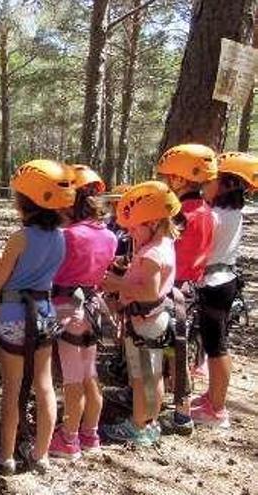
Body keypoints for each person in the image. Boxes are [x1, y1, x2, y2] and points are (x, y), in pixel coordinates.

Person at [0, 160, 74, 475]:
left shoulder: (19, 237)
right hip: (44, 312)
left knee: (12, 386)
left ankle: (6, 455)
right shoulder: (60, 237)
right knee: (44, 384)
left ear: (26, 200)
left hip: (13, 316)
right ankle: (41, 452)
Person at [101, 181, 180, 447]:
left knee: (142, 376)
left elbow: (149, 291)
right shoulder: (163, 243)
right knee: (151, 374)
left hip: (146, 320)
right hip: (151, 319)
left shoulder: (153, 252)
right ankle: (150, 421)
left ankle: (138, 425)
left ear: (155, 222)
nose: (131, 233)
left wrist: (116, 284)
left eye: (136, 227)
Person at [48, 165, 116, 460]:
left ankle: (69, 437)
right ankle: (91, 432)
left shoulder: (67, 236)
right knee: (90, 374)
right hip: (93, 306)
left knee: (72, 379)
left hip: (67, 307)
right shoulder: (109, 236)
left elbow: (52, 273)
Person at [190, 152, 258, 428]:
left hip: (216, 281)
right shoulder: (231, 212)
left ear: (228, 183)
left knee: (216, 347)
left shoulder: (217, 216)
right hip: (222, 279)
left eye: (214, 180)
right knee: (213, 343)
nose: (208, 184)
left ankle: (216, 409)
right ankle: (212, 398)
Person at [155, 143, 217, 436]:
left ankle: (180, 414)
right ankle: (169, 404)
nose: (167, 182)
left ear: (180, 179)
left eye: (169, 177)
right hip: (190, 287)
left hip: (174, 288)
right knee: (177, 348)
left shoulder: (182, 214)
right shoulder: (207, 210)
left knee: (170, 349)